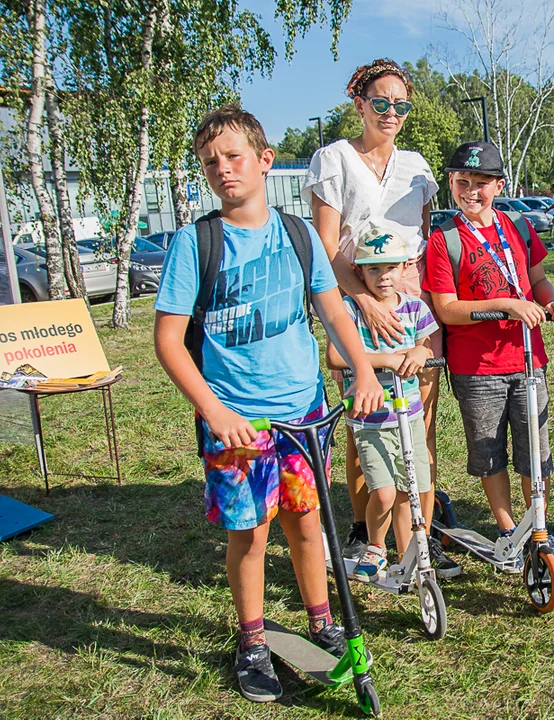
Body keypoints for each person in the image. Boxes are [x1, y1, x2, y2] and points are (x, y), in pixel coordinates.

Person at [153, 106, 385, 703]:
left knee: (309, 525)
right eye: (210, 162)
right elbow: (168, 341)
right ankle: (253, 641)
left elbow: (335, 312)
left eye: (234, 157)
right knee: (250, 535)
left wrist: (362, 369)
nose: (222, 170)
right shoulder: (194, 242)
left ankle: (320, 621)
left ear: (264, 161)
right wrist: (215, 411)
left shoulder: (298, 233)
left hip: (305, 417)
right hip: (239, 425)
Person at [302, 58, 460, 579]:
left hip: (408, 297)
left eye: (401, 105)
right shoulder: (334, 159)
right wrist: (364, 301)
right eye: (381, 102)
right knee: (365, 413)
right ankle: (367, 534)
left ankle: (418, 534)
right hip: (351, 293)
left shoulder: (417, 166)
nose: (391, 112)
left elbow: (419, 239)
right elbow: (327, 247)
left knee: (419, 414)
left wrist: (412, 303)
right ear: (359, 104)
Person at [423, 141, 554, 569]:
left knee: (535, 451)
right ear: (450, 184)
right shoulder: (444, 240)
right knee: (489, 453)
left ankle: (539, 530)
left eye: (482, 183)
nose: (471, 191)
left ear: (500, 185)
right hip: (477, 369)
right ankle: (509, 530)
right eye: (462, 182)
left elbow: (538, 279)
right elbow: (447, 308)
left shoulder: (519, 228)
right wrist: (508, 305)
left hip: (528, 361)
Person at [327, 228, 438, 581]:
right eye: (373, 269)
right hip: (370, 419)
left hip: (409, 418)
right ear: (359, 272)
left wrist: (421, 350)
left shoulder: (415, 308)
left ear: (404, 268)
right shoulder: (350, 309)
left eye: (390, 268)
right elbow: (334, 355)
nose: (383, 276)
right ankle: (376, 546)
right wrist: (386, 360)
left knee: (411, 491)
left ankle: (410, 559)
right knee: (386, 492)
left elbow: (427, 345)